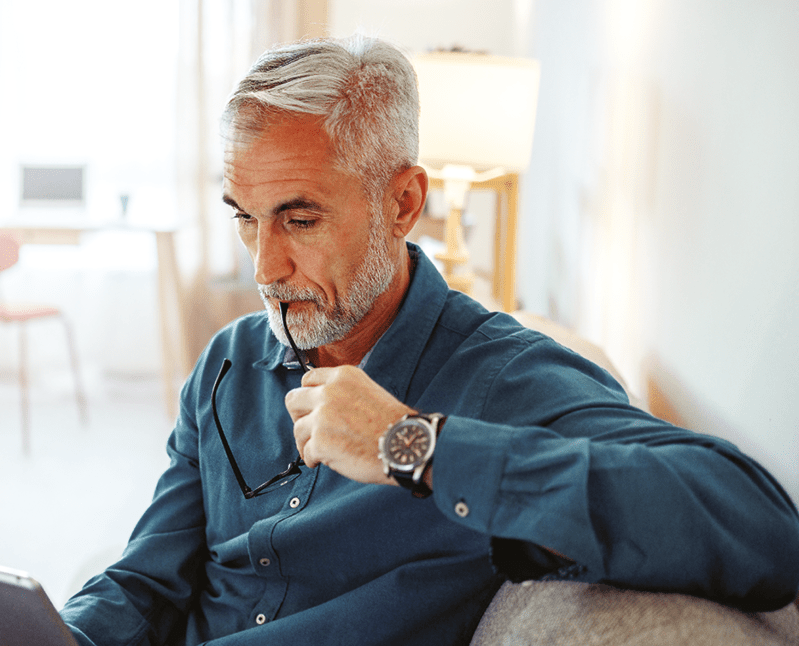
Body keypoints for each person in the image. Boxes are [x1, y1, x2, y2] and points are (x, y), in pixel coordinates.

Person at [59, 35, 799, 645]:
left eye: (301, 218)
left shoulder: (504, 378)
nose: (264, 266)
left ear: (403, 202)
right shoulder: (226, 366)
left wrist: (411, 445)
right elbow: (148, 580)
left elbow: (760, 528)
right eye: (244, 217)